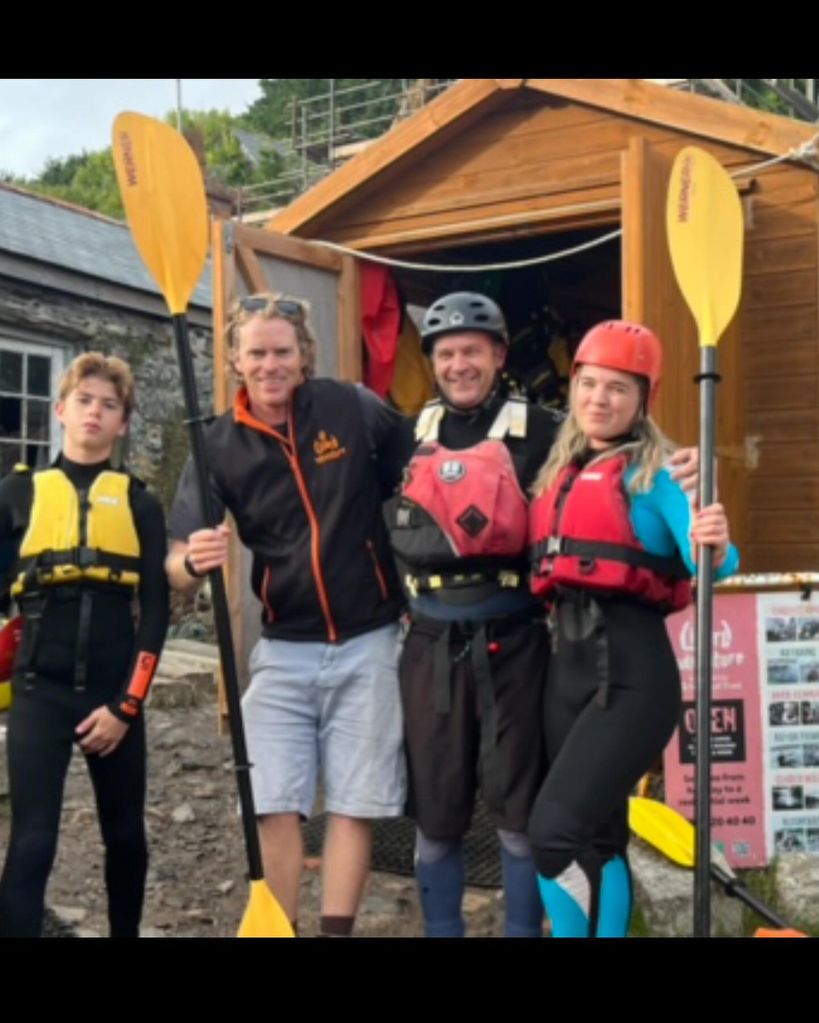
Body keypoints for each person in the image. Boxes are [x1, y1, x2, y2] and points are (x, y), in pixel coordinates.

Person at [387, 295, 699, 937]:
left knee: (536, 821)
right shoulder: (401, 436)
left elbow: (678, 516)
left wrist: (695, 479)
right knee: (449, 818)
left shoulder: (559, 436)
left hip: (529, 650)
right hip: (453, 649)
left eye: (472, 349)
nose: (459, 364)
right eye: (446, 353)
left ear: (500, 356)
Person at [165, 293, 407, 938]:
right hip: (284, 646)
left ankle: (334, 932)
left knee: (355, 805)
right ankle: (281, 929)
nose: (270, 365)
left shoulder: (352, 407)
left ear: (304, 356)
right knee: (271, 799)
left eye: (282, 352)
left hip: (371, 637)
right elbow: (177, 557)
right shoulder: (214, 443)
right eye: (256, 353)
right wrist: (194, 563)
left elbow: (423, 464)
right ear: (236, 362)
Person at [526, 319, 738, 938]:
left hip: (632, 681)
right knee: (596, 838)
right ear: (574, 388)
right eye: (590, 384)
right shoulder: (558, 470)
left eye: (619, 388)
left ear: (643, 398)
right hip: (565, 674)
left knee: (553, 837)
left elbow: (717, 561)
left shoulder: (663, 473)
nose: (600, 399)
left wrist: (714, 536)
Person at [0, 353, 169, 938]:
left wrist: (128, 705)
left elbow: (156, 615)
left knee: (124, 836)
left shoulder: (142, 505)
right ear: (61, 411)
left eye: (110, 404)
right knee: (33, 840)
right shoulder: (16, 496)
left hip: (112, 695)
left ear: (122, 423)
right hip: (36, 693)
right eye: (85, 401)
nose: (95, 412)